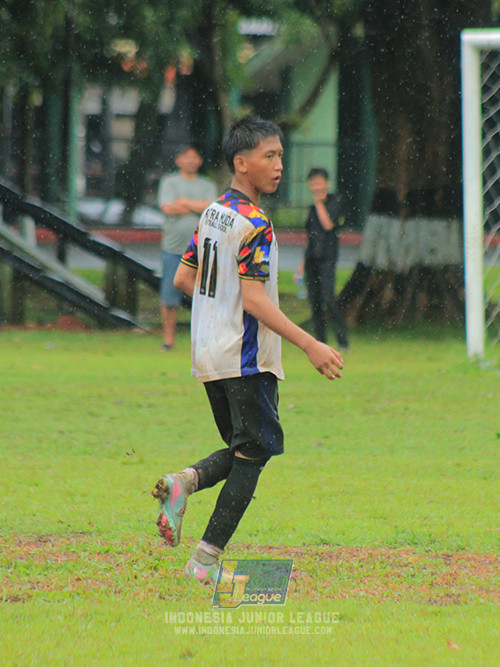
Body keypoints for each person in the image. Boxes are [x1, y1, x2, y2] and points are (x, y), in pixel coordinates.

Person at [151, 116, 344, 584]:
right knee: (254, 452)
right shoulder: (255, 223)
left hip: (208, 354)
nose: (279, 165)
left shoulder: (213, 212)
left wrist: (220, 307)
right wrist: (311, 343)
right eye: (269, 156)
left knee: (244, 448)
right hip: (244, 356)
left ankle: (184, 484)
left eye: (280, 155)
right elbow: (255, 301)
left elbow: (182, 279)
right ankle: (204, 562)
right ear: (241, 163)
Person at [157, 145, 217, 351]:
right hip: (173, 248)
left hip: (203, 249)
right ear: (178, 160)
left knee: (205, 294)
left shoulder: (207, 184)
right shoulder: (170, 182)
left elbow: (211, 209)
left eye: (194, 156)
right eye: (186, 157)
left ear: (200, 161)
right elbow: (167, 208)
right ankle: (168, 340)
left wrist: (184, 203)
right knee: (169, 295)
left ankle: (205, 340)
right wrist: (196, 206)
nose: (190, 160)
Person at [302, 167, 349, 350]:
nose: (316, 186)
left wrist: (320, 205)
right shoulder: (312, 208)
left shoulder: (335, 201)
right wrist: (301, 263)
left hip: (327, 258)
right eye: (313, 183)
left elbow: (328, 225)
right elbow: (310, 235)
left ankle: (343, 341)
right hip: (311, 258)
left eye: (319, 182)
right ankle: (320, 342)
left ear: (327, 183)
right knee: (314, 301)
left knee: (328, 299)